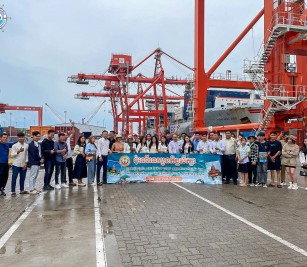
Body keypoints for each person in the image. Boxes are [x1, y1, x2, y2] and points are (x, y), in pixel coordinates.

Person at [10, 132, 29, 196]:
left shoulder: (26, 145)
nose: (21, 138)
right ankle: (13, 191)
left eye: (22, 137)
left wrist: (26, 163)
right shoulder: (14, 146)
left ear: (24, 137)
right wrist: (18, 151)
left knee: (23, 178)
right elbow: (12, 155)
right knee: (14, 177)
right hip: (16, 164)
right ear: (17, 138)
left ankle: (22, 190)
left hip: (23, 164)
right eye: (20, 137)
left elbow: (27, 155)